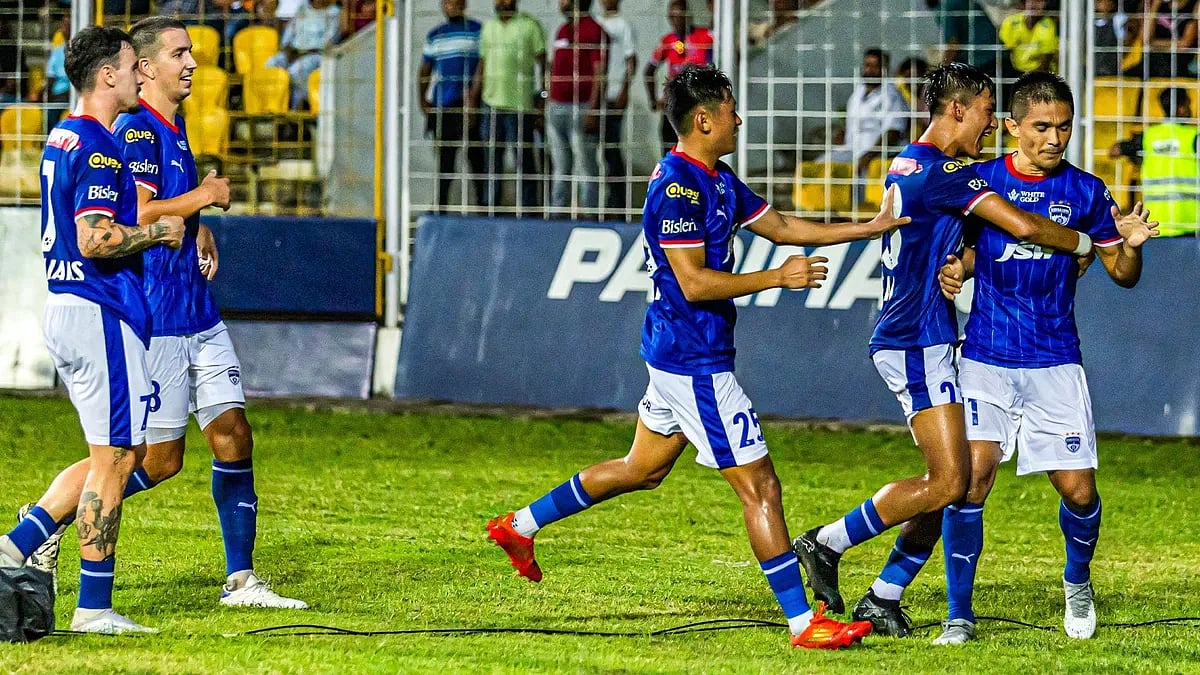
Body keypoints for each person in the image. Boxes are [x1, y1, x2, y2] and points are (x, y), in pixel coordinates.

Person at [486, 64, 912, 650]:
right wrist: (776, 278)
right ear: (704, 119)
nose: (740, 119)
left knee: (643, 469)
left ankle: (519, 526)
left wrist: (870, 227)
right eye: (732, 110)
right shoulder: (677, 190)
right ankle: (803, 623)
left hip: (675, 354)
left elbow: (783, 226)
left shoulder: (717, 177)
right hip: (694, 361)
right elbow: (692, 283)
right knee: (760, 486)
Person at [790, 62, 1102, 643]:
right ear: (958, 109)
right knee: (950, 483)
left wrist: (957, 264)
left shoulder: (910, 159)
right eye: (986, 111)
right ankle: (825, 543)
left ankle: (884, 597)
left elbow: (949, 237)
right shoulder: (948, 172)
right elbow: (1025, 228)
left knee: (952, 478)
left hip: (921, 335)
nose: (990, 125)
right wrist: (1087, 244)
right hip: (916, 341)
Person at [12, 17, 309, 612]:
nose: (193, 62)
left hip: (197, 312)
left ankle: (241, 579)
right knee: (146, 459)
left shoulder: (173, 127)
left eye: (193, 51)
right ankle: (37, 532)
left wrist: (199, 230)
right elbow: (138, 216)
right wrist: (199, 201)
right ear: (140, 68)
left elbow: (162, 213)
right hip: (157, 320)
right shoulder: (133, 134)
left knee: (232, 433)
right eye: (179, 53)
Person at [932, 71, 1157, 643]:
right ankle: (960, 614)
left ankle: (1077, 583)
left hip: (1055, 359)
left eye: (1063, 126)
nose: (1054, 138)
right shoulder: (980, 181)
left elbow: (1122, 276)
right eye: (1041, 127)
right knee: (971, 479)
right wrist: (956, 269)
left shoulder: (1086, 191)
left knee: (1078, 491)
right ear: (1012, 126)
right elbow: (961, 250)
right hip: (985, 355)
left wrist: (1128, 247)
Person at [0, 25, 186, 634]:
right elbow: (96, 238)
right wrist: (158, 232)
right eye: (134, 66)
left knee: (114, 452)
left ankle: (17, 544)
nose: (141, 76)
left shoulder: (63, 134)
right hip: (98, 307)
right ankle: (94, 608)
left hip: (70, 305)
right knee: (115, 459)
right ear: (109, 74)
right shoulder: (102, 148)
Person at [469, 0, 546, 216]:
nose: (501, 2)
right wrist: (473, 101)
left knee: (524, 160)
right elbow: (482, 65)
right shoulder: (488, 27)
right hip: (490, 104)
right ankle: (491, 209)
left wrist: (543, 99)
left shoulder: (530, 26)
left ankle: (530, 211)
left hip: (520, 105)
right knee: (492, 161)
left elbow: (543, 63)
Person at [816, 48, 910, 206]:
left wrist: (869, 154)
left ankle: (860, 217)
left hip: (878, 154)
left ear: (884, 69)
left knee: (861, 176)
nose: (870, 70)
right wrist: (843, 132)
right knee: (821, 164)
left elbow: (893, 131)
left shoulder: (891, 95)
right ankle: (825, 211)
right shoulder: (858, 93)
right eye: (867, 65)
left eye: (875, 66)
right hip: (852, 148)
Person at [419, 0, 487, 213]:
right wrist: (422, 98)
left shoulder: (477, 30)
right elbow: (425, 69)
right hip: (445, 105)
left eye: (455, 2)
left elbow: (484, 65)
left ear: (464, 4)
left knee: (476, 157)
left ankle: (484, 206)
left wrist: (474, 98)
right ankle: (441, 206)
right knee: (446, 159)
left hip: (471, 103)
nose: (451, 6)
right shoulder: (436, 35)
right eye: (447, 3)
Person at [1110, 87, 1200, 236]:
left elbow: (1114, 150)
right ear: (1182, 107)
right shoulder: (1193, 137)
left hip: (1155, 224)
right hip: (1190, 223)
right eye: (1188, 104)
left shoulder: (1149, 137)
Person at [545, 0, 607, 217]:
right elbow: (552, 68)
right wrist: (546, 97)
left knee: (585, 165)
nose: (559, 3)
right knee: (560, 166)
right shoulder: (562, 30)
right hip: (556, 106)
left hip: (581, 107)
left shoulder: (594, 30)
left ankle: (590, 215)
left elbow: (600, 72)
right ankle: (557, 215)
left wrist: (593, 109)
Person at [644, 0, 713, 154]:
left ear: (689, 16)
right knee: (670, 150)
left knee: (698, 152)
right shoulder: (668, 42)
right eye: (673, 17)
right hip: (674, 107)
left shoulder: (705, 36)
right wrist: (653, 100)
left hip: (698, 105)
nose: (678, 20)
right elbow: (648, 71)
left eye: (681, 16)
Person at [594, 0, 637, 219]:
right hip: (593, 98)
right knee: (594, 153)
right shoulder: (594, 24)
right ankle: (597, 205)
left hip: (611, 97)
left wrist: (624, 90)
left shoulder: (623, 25)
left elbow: (632, 60)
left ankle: (617, 206)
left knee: (612, 152)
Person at [264, 0, 340, 110]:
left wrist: (302, 52)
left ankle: (299, 108)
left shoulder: (333, 12)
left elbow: (329, 42)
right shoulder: (302, 8)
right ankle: (276, 107)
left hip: (316, 55)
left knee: (295, 71)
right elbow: (289, 34)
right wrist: (288, 49)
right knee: (271, 64)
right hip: (294, 52)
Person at [998, 0, 1060, 75]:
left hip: (1041, 75)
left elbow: (1045, 63)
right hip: (1015, 71)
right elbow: (1003, 53)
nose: (1034, 4)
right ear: (1024, 3)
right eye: (1030, 1)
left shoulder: (1049, 26)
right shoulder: (1010, 22)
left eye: (1039, 1)